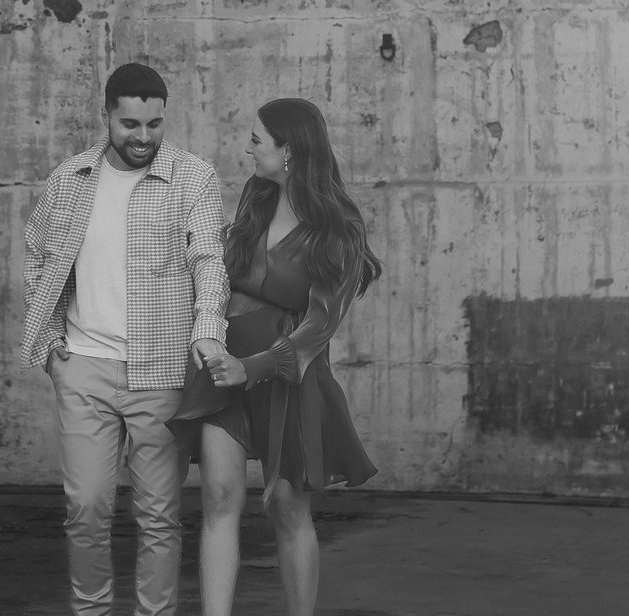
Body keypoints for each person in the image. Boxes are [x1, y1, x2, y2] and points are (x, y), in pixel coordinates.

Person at [20, 62, 231, 616]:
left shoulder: (193, 177)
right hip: (83, 366)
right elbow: (39, 256)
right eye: (130, 124)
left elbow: (210, 261)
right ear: (107, 115)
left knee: (158, 515)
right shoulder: (71, 178)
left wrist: (207, 332)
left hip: (159, 371)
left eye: (154, 125)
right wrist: (46, 343)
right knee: (86, 506)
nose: (143, 138)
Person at [177, 97, 381, 616]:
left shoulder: (340, 228)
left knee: (287, 509)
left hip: (288, 377)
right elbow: (221, 274)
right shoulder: (255, 197)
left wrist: (254, 367)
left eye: (255, 140)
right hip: (222, 368)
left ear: (287, 150)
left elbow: (318, 328)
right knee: (219, 499)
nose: (247, 149)